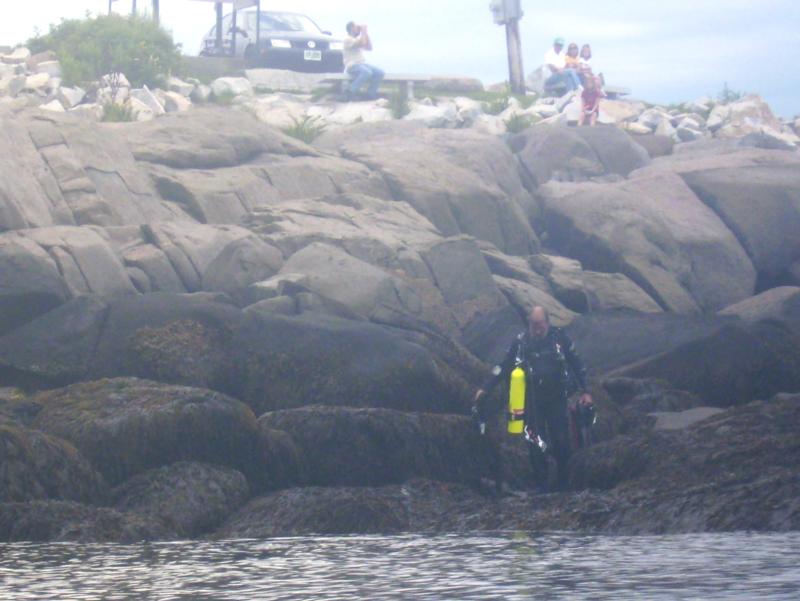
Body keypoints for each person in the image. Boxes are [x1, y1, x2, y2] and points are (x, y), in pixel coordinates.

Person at [472, 306, 593, 491]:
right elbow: (503, 366)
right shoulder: (521, 343)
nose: (537, 329)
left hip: (557, 398)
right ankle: (541, 483)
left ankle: (564, 480)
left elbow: (577, 364)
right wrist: (485, 388)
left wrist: (586, 391)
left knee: (561, 439)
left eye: (540, 325)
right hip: (532, 400)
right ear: (529, 324)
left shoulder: (559, 339)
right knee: (535, 441)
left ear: (547, 322)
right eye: (533, 325)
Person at [343, 21, 384, 101]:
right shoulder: (347, 39)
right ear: (351, 28)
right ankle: (350, 91)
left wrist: (365, 33)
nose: (358, 29)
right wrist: (363, 31)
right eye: (356, 27)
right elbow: (362, 43)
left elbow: (369, 48)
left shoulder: (357, 39)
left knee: (380, 72)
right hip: (352, 65)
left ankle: (370, 93)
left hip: (361, 64)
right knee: (367, 72)